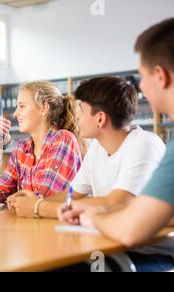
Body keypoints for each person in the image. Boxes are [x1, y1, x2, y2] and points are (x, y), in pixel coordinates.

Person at [59, 18, 174, 272]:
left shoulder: (147, 144)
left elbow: (130, 228)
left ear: (160, 76)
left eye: (142, 77)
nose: (141, 87)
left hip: (150, 256)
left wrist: (95, 215)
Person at [8, 77, 165, 220]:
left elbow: (116, 203)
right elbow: (72, 193)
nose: (76, 117)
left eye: (81, 110)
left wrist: (38, 207)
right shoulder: (98, 146)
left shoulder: (144, 145)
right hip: (112, 242)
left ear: (101, 118)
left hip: (148, 250)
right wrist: (30, 202)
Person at [0, 81, 83, 205]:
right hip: (26, 222)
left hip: (53, 223)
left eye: (22, 106)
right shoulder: (21, 148)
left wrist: (14, 198)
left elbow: (44, 197)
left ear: (44, 108)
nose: (15, 113)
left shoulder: (63, 140)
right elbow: (2, 190)